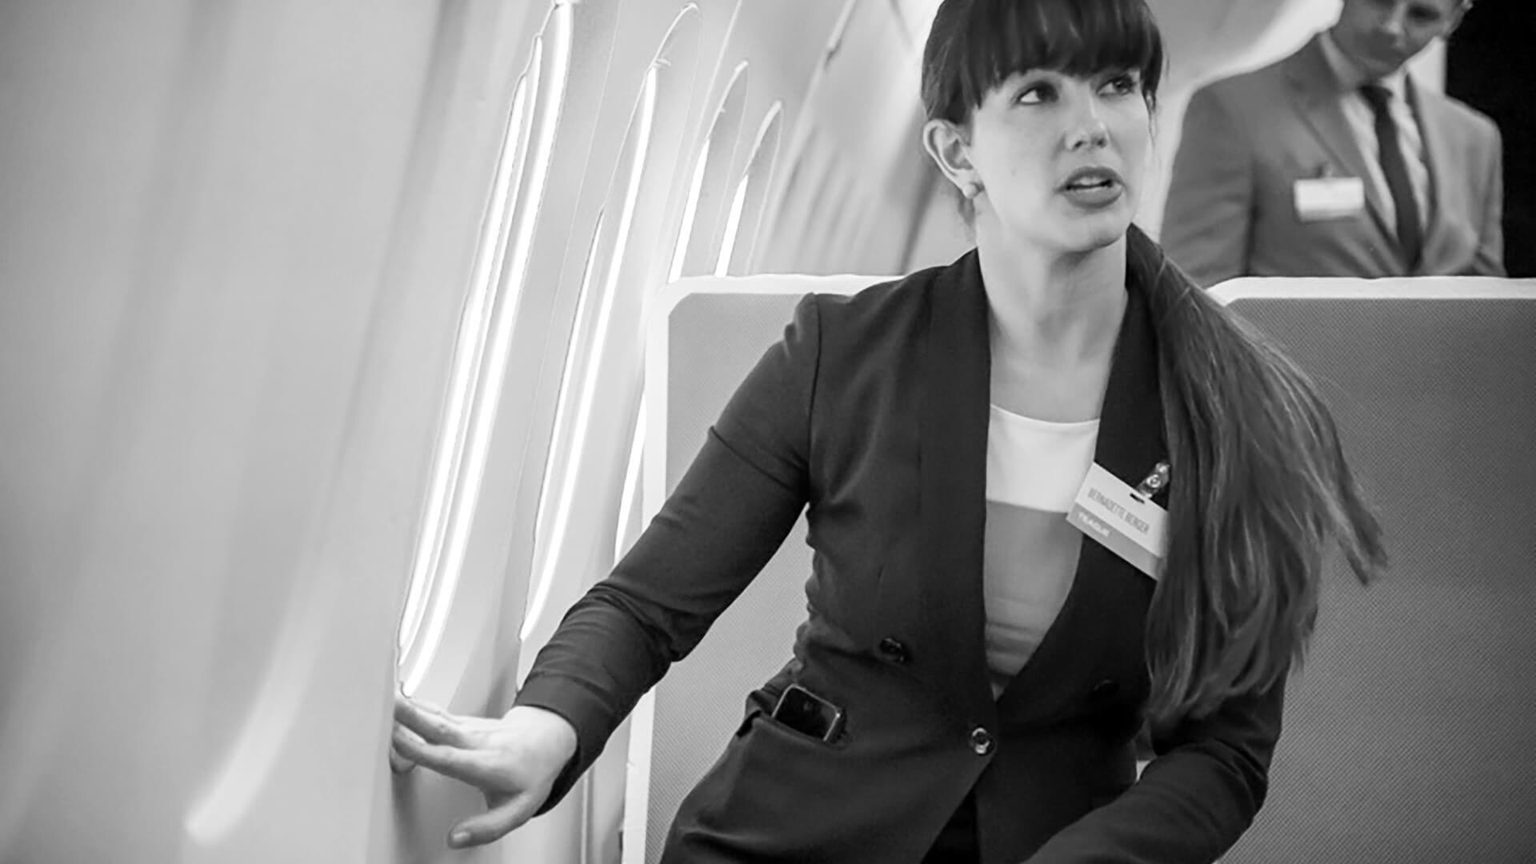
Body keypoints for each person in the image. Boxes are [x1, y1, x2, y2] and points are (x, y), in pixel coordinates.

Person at [390, 1, 1386, 861]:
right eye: (1039, 92)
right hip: (792, 834)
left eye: (1118, 83)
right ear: (958, 151)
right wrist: (549, 725)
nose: (1092, 126)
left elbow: (1226, 752)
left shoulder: (1232, 398)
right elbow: (649, 603)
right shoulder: (844, 353)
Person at [1161, 0, 1505, 287]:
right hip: (1291, 366)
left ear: (1453, 20)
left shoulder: (1473, 137)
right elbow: (1196, 292)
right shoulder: (1235, 108)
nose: (1391, 27)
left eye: (1421, 14)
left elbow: (1488, 301)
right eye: (1379, 0)